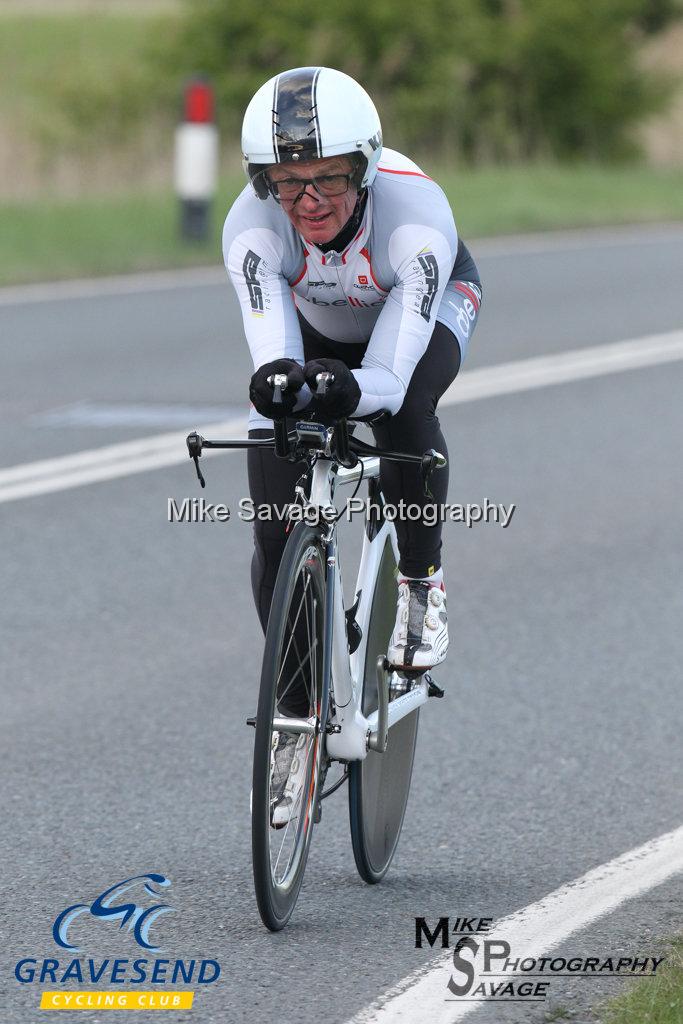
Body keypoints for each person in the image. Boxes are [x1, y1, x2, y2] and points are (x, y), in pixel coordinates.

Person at [223, 67, 481, 800]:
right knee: (274, 512)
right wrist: (286, 391)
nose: (307, 201)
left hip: (419, 312)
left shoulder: (415, 220)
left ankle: (421, 585)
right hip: (316, 323)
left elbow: (389, 381)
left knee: (400, 413)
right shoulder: (249, 225)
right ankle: (296, 715)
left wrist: (347, 387)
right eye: (286, 181)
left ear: (364, 168)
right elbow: (274, 355)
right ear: (262, 179)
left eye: (330, 181)